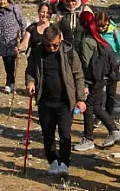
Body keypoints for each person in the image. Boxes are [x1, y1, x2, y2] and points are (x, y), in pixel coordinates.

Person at [25, 26, 87, 177]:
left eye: (54, 45)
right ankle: (52, 161)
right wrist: (30, 82)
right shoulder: (38, 51)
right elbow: (30, 70)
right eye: (48, 45)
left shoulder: (70, 53)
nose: (51, 48)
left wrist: (80, 99)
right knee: (48, 133)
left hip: (65, 101)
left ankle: (64, 163)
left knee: (65, 133)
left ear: (61, 38)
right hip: (45, 101)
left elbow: (78, 76)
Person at [73, 11, 120, 151]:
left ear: (82, 24)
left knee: (90, 106)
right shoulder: (99, 38)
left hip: (94, 80)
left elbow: (86, 64)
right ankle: (112, 132)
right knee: (95, 106)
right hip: (103, 78)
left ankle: (90, 138)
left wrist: (84, 84)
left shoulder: (87, 41)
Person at [94, 10, 120, 122]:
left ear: (108, 22)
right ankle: (98, 115)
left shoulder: (113, 31)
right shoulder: (93, 31)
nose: (101, 28)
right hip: (99, 66)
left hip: (112, 66)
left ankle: (108, 116)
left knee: (111, 93)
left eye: (103, 25)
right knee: (97, 92)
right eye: (98, 25)